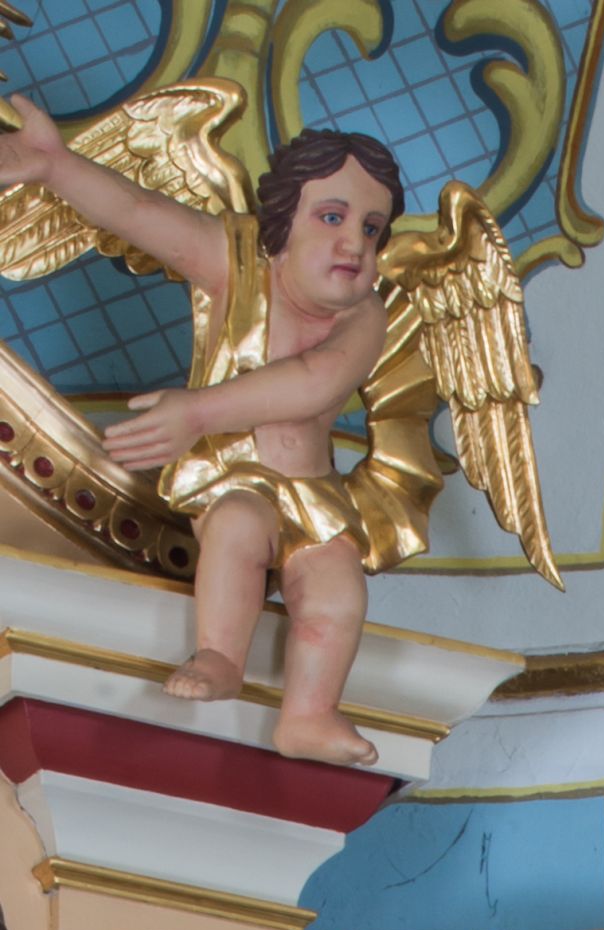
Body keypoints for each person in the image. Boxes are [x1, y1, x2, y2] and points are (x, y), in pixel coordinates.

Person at [0, 110, 404, 763]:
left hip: (314, 495)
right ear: (282, 224)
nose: (354, 243)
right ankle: (219, 655)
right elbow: (138, 212)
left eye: (371, 228)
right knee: (237, 528)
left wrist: (194, 413)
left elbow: (316, 381)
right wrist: (56, 165)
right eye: (332, 217)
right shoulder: (235, 263)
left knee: (338, 591)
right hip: (234, 480)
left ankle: (308, 714)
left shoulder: (365, 316)